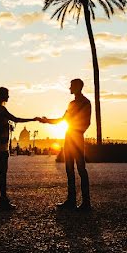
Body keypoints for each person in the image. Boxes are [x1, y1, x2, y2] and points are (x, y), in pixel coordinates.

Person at [37, 78, 92, 211]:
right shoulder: (72, 103)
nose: (69, 88)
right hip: (70, 137)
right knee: (69, 169)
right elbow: (62, 120)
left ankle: (85, 202)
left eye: (71, 86)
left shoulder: (85, 103)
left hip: (76, 138)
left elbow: (86, 122)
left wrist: (77, 132)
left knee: (80, 169)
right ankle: (72, 200)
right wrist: (46, 121)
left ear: (78, 87)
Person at [0, 87, 35, 211]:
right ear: (2, 96)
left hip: (0, 147)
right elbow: (16, 119)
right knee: (1, 174)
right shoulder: (2, 110)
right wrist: (33, 119)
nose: (9, 97)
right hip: (1, 148)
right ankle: (0, 200)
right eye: (7, 95)